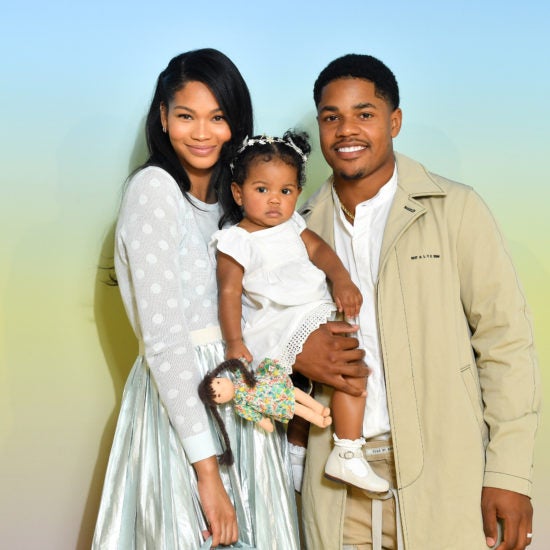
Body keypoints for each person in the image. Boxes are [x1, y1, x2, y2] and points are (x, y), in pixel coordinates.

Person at [294, 53, 541, 550]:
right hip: (334, 480)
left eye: (364, 114)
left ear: (394, 121)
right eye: (331, 117)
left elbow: (506, 344)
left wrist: (509, 473)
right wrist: (295, 354)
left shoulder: (456, 209)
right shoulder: (297, 228)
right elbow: (263, 338)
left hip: (444, 476)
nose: (347, 130)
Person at [92, 48, 301, 549]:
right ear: (163, 118)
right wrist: (208, 473)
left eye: (218, 117)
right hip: (185, 407)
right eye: (187, 116)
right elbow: (165, 341)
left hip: (241, 401)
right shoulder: (154, 190)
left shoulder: (241, 203)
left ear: (235, 124)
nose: (202, 133)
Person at [213, 130, 389, 494]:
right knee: (324, 380)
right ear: (238, 193)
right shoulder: (237, 240)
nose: (274, 200)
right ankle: (313, 452)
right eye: (262, 189)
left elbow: (321, 251)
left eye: (286, 191)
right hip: (277, 322)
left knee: (349, 375)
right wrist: (233, 342)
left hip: (313, 312)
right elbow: (228, 292)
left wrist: (342, 280)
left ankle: (339, 450)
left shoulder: (293, 225)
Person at [198, 357, 332, 463]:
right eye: (219, 395)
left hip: (277, 386)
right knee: (299, 409)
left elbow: (243, 363)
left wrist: (239, 360)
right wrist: (264, 423)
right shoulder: (240, 406)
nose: (223, 389)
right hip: (275, 404)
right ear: (219, 403)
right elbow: (254, 416)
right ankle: (320, 420)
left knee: (297, 393)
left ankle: (320, 409)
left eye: (218, 383)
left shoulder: (240, 376)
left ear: (219, 377)